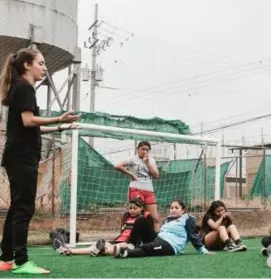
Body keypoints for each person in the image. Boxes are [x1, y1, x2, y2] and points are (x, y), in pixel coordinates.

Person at [0, 48, 80, 275]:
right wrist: (59, 117)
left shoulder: (20, 88)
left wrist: (60, 126)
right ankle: (21, 261)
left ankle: (6, 259)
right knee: (24, 208)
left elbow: (32, 126)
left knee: (17, 208)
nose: (45, 68)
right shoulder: (25, 88)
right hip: (22, 157)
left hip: (18, 155)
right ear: (27, 65)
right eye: (41, 63)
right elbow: (28, 121)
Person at [52, 197, 157, 256]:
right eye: (130, 208)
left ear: (141, 208)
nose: (132, 210)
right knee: (98, 244)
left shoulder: (145, 217)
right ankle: (68, 250)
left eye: (135, 208)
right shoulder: (126, 216)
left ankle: (99, 249)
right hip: (119, 241)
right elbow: (122, 231)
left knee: (113, 247)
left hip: (131, 244)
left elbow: (148, 235)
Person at [114, 200, 215, 258]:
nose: (173, 210)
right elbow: (162, 232)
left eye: (176, 207)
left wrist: (203, 250)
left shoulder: (188, 218)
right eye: (171, 208)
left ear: (183, 210)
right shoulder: (168, 219)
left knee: (147, 248)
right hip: (158, 238)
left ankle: (126, 253)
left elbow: (193, 235)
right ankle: (131, 245)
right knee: (141, 220)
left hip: (170, 245)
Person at [115, 141, 160, 232]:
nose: (145, 151)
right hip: (136, 189)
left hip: (149, 191)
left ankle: (157, 241)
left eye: (147, 150)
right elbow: (117, 165)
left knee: (154, 218)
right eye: (142, 149)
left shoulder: (151, 160)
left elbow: (156, 175)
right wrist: (130, 174)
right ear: (137, 149)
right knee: (135, 215)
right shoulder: (133, 159)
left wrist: (147, 163)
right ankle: (129, 238)